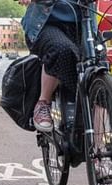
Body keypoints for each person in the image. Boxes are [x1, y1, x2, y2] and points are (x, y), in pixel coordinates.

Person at [18, 0, 81, 133]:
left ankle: (100, 147)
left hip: (83, 23)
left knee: (97, 61)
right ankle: (43, 103)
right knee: (61, 48)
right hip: (47, 24)